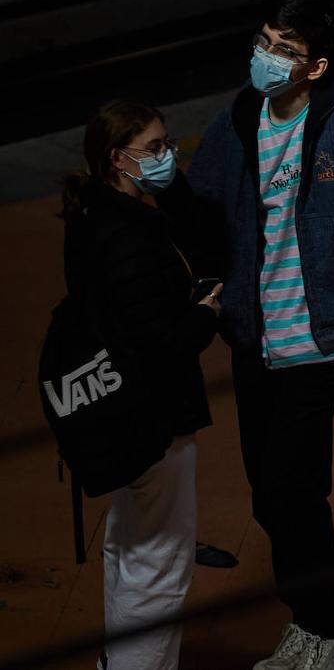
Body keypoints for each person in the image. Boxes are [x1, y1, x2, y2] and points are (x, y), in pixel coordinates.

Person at [163, 0, 334, 670]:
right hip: (254, 340)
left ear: (315, 67)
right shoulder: (237, 120)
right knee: (271, 490)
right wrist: (170, 194)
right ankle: (313, 621)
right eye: (263, 41)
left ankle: (324, 628)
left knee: (291, 486)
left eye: (283, 50)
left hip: (320, 342)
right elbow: (205, 215)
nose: (265, 57)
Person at [60, 100, 222, 669]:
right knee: (160, 568)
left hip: (115, 414)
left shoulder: (91, 215)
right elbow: (160, 345)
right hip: (154, 417)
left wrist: (170, 187)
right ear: (116, 159)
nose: (166, 155)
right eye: (153, 149)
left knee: (128, 550)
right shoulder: (125, 236)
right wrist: (205, 312)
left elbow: (199, 230)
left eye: (166, 142)